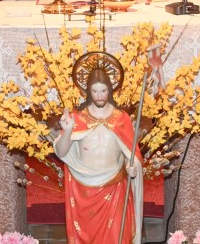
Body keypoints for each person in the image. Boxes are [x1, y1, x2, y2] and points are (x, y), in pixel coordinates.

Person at [54, 58, 142, 244]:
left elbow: (131, 154)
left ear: (110, 90)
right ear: (89, 92)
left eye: (103, 91)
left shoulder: (121, 119)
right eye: (95, 91)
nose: (99, 96)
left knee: (117, 234)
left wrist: (132, 167)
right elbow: (61, 153)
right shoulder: (77, 119)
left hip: (115, 187)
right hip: (84, 190)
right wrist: (67, 130)